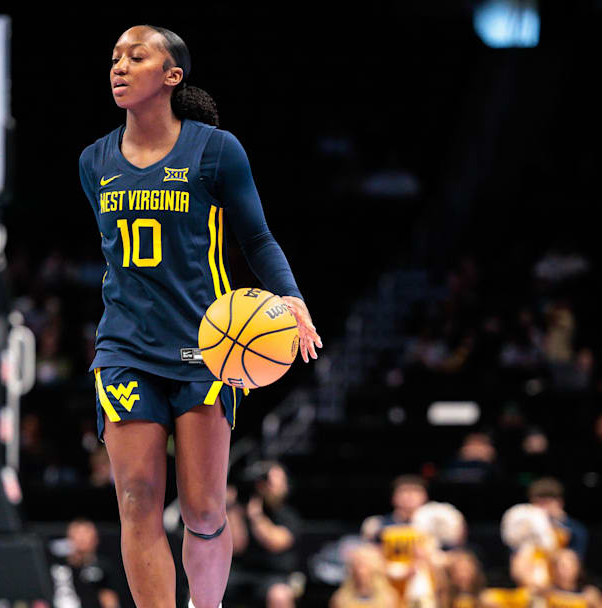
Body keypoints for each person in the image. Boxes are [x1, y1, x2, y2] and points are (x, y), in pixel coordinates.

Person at [78, 24, 321, 608]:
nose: (119, 65)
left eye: (136, 56)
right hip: (125, 348)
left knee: (205, 509)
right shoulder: (94, 161)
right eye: (114, 57)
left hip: (209, 345)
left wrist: (291, 297)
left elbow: (257, 238)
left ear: (171, 75)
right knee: (137, 500)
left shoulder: (216, 150)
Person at [228, 461, 303, 608]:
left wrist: (256, 517)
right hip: (241, 572)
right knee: (204, 587)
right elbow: (236, 546)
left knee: (279, 595)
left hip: (275, 575)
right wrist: (231, 508)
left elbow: (276, 543)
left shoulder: (288, 516)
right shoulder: (237, 509)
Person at [360, 475, 437, 608]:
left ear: (424, 497)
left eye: (414, 491)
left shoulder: (436, 526)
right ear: (393, 497)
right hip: (387, 583)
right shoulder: (376, 525)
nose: (409, 496)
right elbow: (369, 557)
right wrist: (398, 571)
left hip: (424, 584)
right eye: (404, 491)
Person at [329, 543, 398, 608]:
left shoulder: (389, 598)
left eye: (365, 565)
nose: (361, 571)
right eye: (357, 565)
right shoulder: (340, 599)